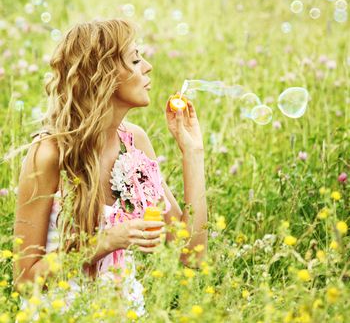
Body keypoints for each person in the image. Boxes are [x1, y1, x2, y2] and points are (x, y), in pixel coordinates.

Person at [11, 19, 208, 318]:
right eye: (135, 59)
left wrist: (193, 153)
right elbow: (25, 280)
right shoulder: (50, 154)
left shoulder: (134, 143)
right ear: (103, 76)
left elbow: (191, 254)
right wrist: (105, 242)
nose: (148, 67)